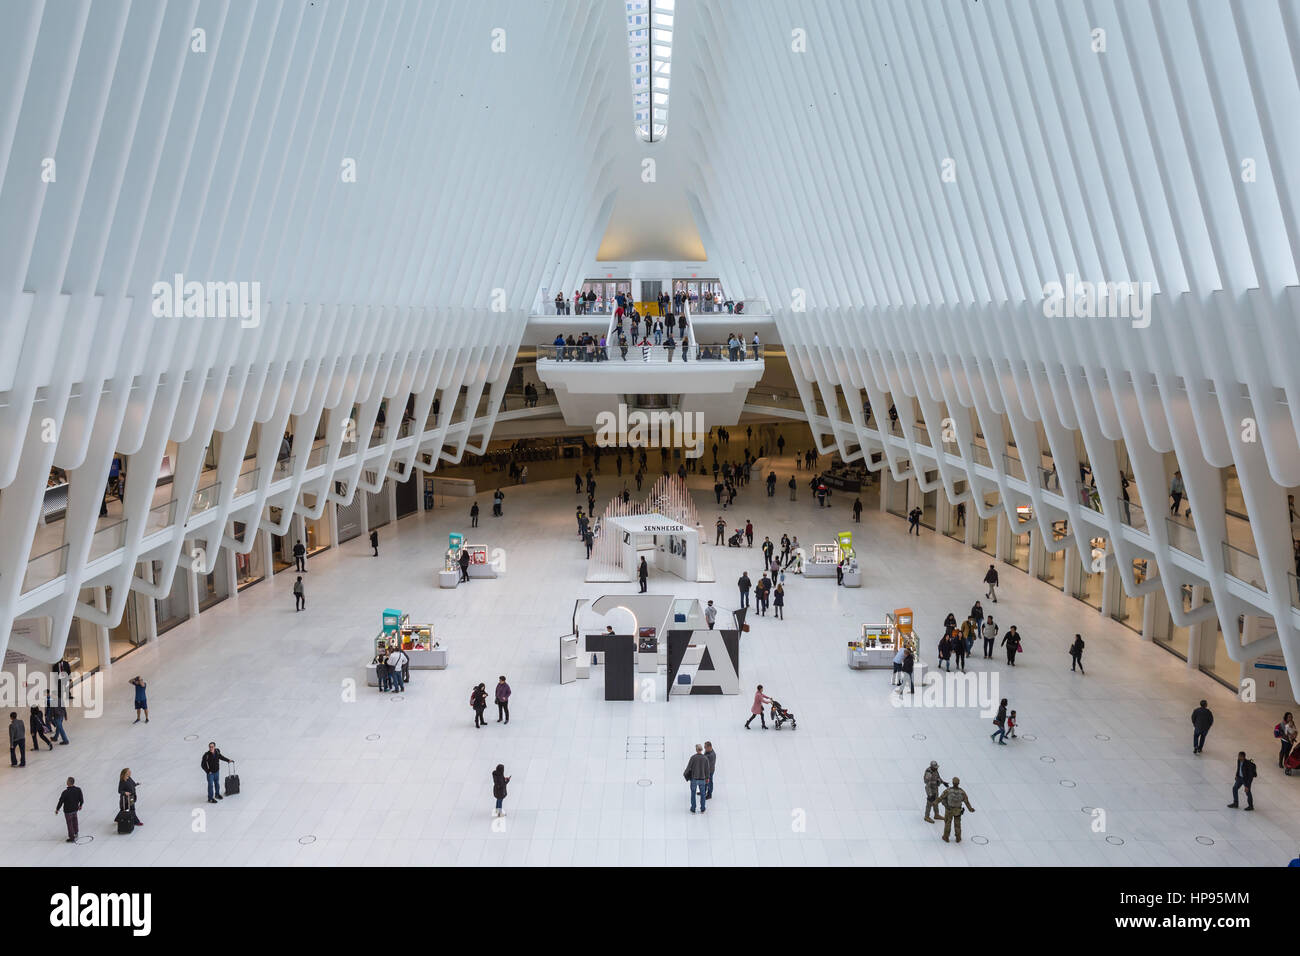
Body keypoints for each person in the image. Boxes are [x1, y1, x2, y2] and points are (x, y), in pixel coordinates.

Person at [937, 777, 975, 843]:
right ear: (958, 783)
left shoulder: (948, 790)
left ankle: (946, 837)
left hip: (949, 810)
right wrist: (970, 809)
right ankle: (958, 838)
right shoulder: (962, 792)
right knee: (957, 824)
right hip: (958, 811)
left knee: (947, 824)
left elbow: (941, 798)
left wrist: (935, 802)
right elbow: (966, 801)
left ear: (952, 782)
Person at [55, 776, 83, 842]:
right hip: (75, 809)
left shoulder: (65, 792)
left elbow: (61, 801)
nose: (66, 782)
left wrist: (57, 809)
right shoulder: (78, 789)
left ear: (69, 783)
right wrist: (80, 805)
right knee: (75, 821)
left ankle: (72, 837)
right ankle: (76, 833)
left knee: (69, 823)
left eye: (67, 781)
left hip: (68, 811)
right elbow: (81, 799)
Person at [685, 744, 710, 813]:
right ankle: (702, 809)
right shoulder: (705, 758)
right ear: (701, 750)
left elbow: (688, 768)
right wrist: (707, 778)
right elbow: (707, 770)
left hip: (694, 779)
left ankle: (693, 809)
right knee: (703, 794)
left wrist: (685, 775)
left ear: (696, 750)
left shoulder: (693, 758)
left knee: (693, 794)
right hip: (702, 779)